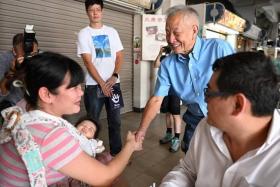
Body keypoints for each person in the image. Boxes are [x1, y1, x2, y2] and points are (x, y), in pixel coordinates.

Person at [0, 52, 142, 186]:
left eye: (80, 86)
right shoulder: (50, 134)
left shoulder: (24, 109)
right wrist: (130, 145)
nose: (81, 92)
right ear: (46, 94)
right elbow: (105, 178)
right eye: (73, 87)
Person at [160, 51, 280, 186]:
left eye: (209, 93)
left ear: (238, 104)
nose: (204, 99)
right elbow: (188, 171)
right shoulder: (207, 126)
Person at [136, 5, 234, 153]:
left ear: (194, 30)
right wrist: (141, 131)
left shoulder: (219, 49)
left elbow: (239, 85)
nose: (170, 39)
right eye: (167, 32)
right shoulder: (168, 64)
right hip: (195, 120)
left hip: (226, 119)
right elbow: (156, 100)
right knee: (191, 159)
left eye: (176, 33)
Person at [77, 0, 124, 157]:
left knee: (115, 122)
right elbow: (88, 62)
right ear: (87, 12)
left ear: (102, 11)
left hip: (113, 84)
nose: (95, 13)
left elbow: (119, 55)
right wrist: (102, 83)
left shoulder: (112, 32)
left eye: (98, 9)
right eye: (92, 10)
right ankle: (89, 156)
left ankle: (116, 155)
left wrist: (115, 75)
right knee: (91, 123)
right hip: (93, 86)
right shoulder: (84, 33)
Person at [0, 33, 39, 111]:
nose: (31, 58)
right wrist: (11, 72)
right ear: (14, 51)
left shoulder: (38, 57)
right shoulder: (4, 60)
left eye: (34, 54)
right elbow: (2, 93)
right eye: (26, 55)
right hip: (13, 104)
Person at [154, 46, 182, 152]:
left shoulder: (178, 59)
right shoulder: (164, 59)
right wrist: (160, 53)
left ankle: (177, 139)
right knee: (167, 113)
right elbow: (156, 65)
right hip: (164, 91)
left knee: (175, 115)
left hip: (175, 91)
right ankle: (169, 134)